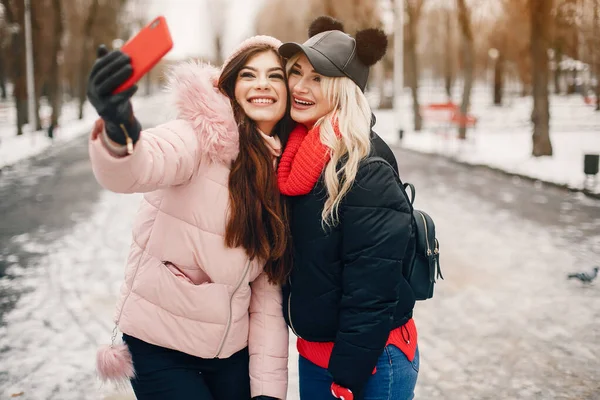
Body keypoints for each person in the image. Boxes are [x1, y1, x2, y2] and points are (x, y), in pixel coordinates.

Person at [86, 35, 292, 400]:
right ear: (229, 87)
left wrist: (267, 393)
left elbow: (267, 298)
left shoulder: (285, 172)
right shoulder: (200, 136)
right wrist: (121, 136)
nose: (262, 84)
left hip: (229, 351)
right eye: (249, 74)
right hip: (160, 343)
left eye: (275, 76)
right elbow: (141, 166)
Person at [276, 16, 419, 400]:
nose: (300, 87)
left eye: (318, 78)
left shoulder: (364, 168)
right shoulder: (298, 152)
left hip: (371, 361)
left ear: (344, 89)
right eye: (296, 73)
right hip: (317, 354)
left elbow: (372, 286)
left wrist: (348, 375)